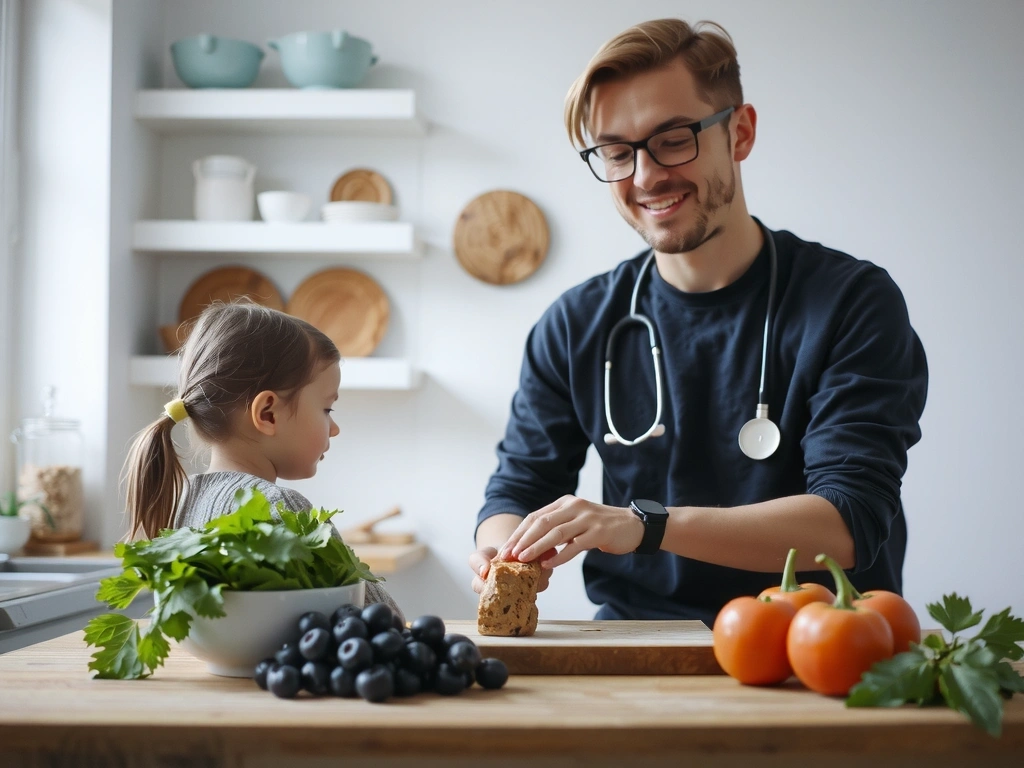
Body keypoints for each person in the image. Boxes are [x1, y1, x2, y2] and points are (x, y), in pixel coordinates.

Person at [470, 18, 928, 624]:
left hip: (818, 646)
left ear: (740, 133)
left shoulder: (850, 303)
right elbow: (517, 489)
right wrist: (505, 549)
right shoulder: (576, 324)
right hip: (636, 648)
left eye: (674, 137)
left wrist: (643, 527)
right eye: (615, 151)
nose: (644, 176)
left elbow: (848, 521)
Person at [124, 300, 403, 620]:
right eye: (327, 409)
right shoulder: (282, 508)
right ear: (267, 413)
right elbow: (386, 620)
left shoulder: (183, 500)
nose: (335, 428)